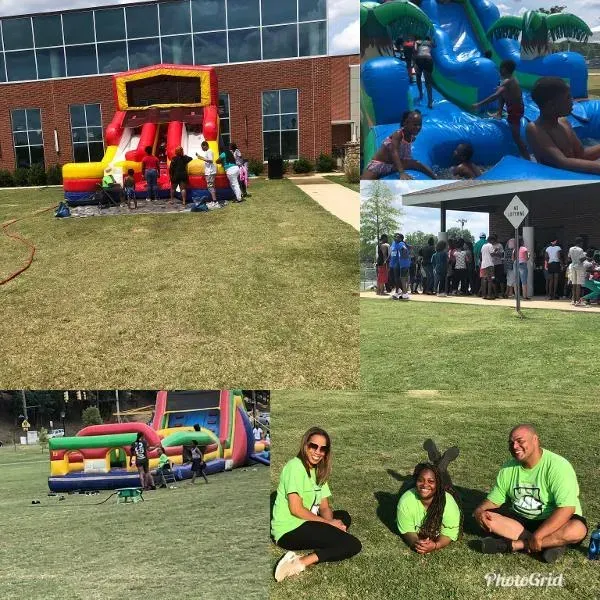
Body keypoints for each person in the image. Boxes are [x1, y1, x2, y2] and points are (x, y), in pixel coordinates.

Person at [474, 424, 587, 563]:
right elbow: (493, 501)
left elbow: (567, 509)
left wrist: (539, 535)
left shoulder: (558, 466)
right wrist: (479, 511)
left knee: (577, 529)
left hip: (553, 521)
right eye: (511, 443)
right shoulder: (507, 469)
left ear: (535, 440)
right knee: (489, 517)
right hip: (522, 521)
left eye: (520, 441)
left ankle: (515, 545)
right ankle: (551, 545)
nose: (515, 446)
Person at [272, 427, 361, 582]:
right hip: (289, 530)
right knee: (353, 544)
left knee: (343, 517)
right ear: (305, 445)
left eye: (323, 449)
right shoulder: (295, 467)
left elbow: (324, 507)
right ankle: (298, 562)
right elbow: (296, 509)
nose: (317, 452)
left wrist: (331, 523)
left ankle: (330, 544)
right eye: (313, 446)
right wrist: (329, 524)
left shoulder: (318, 471)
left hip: (305, 522)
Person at [526, 77, 600, 174]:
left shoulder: (563, 122)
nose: (572, 101)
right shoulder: (535, 129)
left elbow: (581, 155)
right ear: (552, 104)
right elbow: (563, 162)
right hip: (558, 182)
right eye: (568, 98)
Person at [397, 463, 462, 554]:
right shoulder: (406, 501)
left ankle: (443, 466)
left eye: (430, 481)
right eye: (420, 480)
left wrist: (436, 545)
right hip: (409, 492)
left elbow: (449, 533)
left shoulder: (449, 504)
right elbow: (407, 529)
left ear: (437, 484)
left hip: (451, 495)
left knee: (449, 486)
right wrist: (417, 543)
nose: (424, 484)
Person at [472, 60, 529, 160]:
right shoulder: (511, 79)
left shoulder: (507, 81)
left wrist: (479, 104)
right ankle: (499, 113)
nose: (499, 71)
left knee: (516, 137)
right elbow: (502, 93)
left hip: (515, 111)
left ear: (504, 69)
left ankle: (527, 158)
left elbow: (495, 96)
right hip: (515, 108)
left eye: (500, 69)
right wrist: (500, 88)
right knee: (501, 92)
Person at [362, 110, 436, 180]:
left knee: (417, 164)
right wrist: (401, 172)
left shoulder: (411, 137)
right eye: (415, 124)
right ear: (405, 124)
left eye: (420, 124)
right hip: (380, 165)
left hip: (393, 165)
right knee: (364, 183)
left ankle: (435, 178)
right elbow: (394, 152)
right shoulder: (398, 135)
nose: (418, 127)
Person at [195, 141, 218, 205]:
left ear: (205, 145)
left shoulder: (209, 151)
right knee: (211, 186)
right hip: (210, 171)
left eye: (202, 147)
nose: (202, 149)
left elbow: (210, 160)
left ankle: (215, 201)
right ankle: (214, 200)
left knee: (210, 186)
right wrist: (200, 157)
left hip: (210, 172)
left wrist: (202, 158)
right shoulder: (208, 152)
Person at [414, 36, 435, 109]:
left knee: (418, 77)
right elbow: (435, 46)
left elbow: (416, 49)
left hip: (419, 58)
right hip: (428, 58)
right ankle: (430, 102)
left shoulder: (418, 41)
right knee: (428, 82)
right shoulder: (430, 42)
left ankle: (420, 94)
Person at [389, 232, 411, 299]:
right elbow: (391, 252)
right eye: (395, 236)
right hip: (393, 263)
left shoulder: (401, 243)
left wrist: (404, 256)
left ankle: (404, 293)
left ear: (401, 239)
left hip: (400, 263)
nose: (396, 237)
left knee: (401, 279)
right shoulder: (393, 243)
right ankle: (398, 291)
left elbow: (404, 249)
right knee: (394, 279)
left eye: (398, 237)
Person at [568, 237, 586, 305]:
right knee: (578, 284)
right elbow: (581, 259)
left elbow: (569, 257)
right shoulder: (580, 249)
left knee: (574, 284)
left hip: (572, 266)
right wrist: (585, 257)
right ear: (580, 242)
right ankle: (578, 301)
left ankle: (573, 300)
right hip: (579, 267)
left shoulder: (571, 248)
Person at [480, 234, 497, 300]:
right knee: (490, 280)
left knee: (484, 280)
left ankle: (484, 295)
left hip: (483, 265)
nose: (494, 243)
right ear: (491, 240)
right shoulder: (490, 245)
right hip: (489, 264)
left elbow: (481, 255)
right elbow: (492, 254)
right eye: (494, 241)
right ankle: (489, 295)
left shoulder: (483, 246)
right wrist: (495, 251)